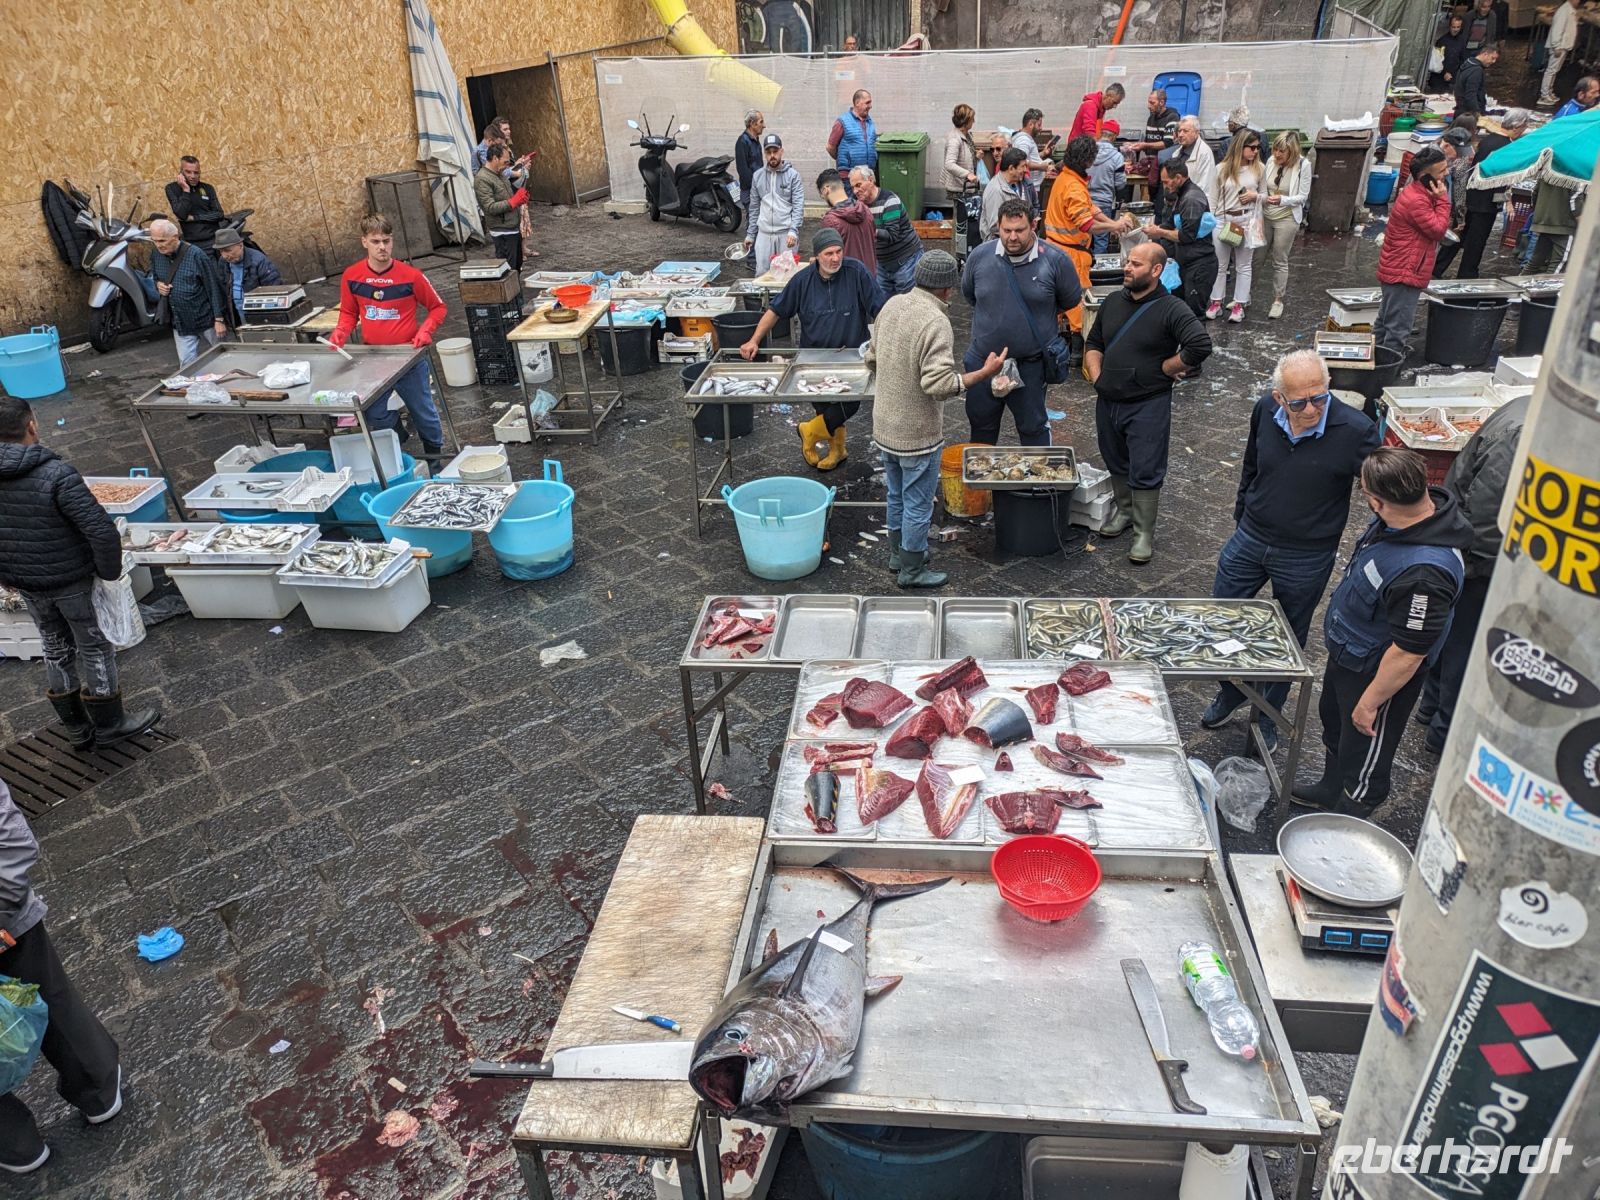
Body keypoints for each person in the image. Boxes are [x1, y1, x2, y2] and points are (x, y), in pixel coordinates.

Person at [1202, 352, 1379, 751]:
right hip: (1251, 536)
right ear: (1279, 397)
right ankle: (1230, 693)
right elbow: (1252, 462)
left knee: (1287, 638)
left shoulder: (1356, 430)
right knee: (1221, 617)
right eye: (1299, 402)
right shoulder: (1264, 411)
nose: (1312, 409)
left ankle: (1267, 715)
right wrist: (1243, 509)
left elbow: (1380, 495)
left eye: (1320, 397)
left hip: (1307, 553)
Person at [1293, 448, 1473, 817]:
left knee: (1365, 750)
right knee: (1335, 725)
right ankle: (1330, 788)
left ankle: (1349, 815)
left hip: (1379, 674)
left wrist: (1371, 701)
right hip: (1350, 655)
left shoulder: (1425, 574)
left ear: (1375, 501)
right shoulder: (1400, 521)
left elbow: (1409, 652)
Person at [0, 396, 160, 749]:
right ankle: (109, 724)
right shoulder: (56, 473)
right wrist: (109, 575)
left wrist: (8, 577)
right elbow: (101, 532)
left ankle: (75, 728)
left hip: (28, 584)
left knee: (54, 647)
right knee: (95, 646)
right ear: (32, 426)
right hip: (72, 580)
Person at [0, 778, 124, 1175]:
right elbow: (9, 841)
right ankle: (97, 1088)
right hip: (7, 922)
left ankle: (15, 1144)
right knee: (50, 997)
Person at [866, 250, 1007, 588]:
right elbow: (938, 385)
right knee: (917, 503)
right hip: (916, 433)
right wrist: (983, 373)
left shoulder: (891, 305)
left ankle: (898, 554)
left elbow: (871, 359)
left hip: (884, 425)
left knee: (896, 495)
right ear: (947, 288)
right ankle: (912, 571)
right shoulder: (935, 321)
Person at [1413, 394, 1529, 754]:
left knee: (1454, 639)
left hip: (1474, 549)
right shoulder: (1521, 434)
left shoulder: (1526, 409)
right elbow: (1488, 517)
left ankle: (1431, 709)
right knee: (1464, 644)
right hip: (1479, 557)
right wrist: (1484, 565)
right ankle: (1443, 731)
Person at [1084, 243, 1212, 565]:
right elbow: (1094, 340)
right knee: (1115, 459)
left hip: (1147, 403)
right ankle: (1124, 512)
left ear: (1156, 271)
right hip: (1108, 399)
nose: (1127, 268)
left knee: (1146, 466)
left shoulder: (1172, 308)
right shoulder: (1112, 301)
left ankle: (1143, 532)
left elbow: (1200, 344)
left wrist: (1167, 369)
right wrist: (1096, 374)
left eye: (1136, 264)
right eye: (1128, 262)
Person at [741, 228, 883, 470]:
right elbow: (776, 311)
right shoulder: (802, 280)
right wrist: (754, 339)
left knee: (848, 404)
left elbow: (880, 309)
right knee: (825, 407)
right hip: (813, 358)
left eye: (839, 251)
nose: (836, 258)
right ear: (817, 256)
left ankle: (809, 432)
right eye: (829, 253)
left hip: (851, 357)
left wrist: (887, 340)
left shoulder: (856, 272)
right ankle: (837, 449)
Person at [327, 214, 448, 465]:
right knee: (372, 411)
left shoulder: (410, 276)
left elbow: (438, 307)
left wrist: (425, 330)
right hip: (374, 356)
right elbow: (349, 312)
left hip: (408, 356)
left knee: (423, 411)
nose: (382, 247)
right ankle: (397, 437)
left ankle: (434, 455)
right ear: (364, 242)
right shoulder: (352, 276)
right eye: (375, 241)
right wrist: (341, 332)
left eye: (387, 240)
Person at [960, 197, 1081, 446]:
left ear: (1033, 226)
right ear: (998, 226)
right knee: (981, 426)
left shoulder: (1055, 261)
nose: (1012, 237)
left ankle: (1036, 486)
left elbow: (1069, 300)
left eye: (1019, 230)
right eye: (1007, 230)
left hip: (1031, 365)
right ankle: (983, 485)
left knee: (1033, 428)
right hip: (983, 363)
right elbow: (971, 295)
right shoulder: (980, 257)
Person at [1044, 135, 1135, 360]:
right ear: (1088, 160)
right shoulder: (1074, 186)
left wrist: (1112, 224)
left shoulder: (1067, 178)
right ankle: (1077, 350)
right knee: (1078, 301)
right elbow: (1086, 223)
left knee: (1057, 297)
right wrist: (1113, 225)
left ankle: (1057, 340)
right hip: (1071, 254)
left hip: (1055, 248)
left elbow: (1091, 208)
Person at [1373, 147, 1451, 357]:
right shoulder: (1416, 200)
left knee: (1385, 321)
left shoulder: (1419, 193)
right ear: (1426, 177)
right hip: (1405, 272)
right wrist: (1443, 200)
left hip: (1400, 267)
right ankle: (1387, 368)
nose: (1446, 174)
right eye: (1442, 171)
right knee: (1397, 328)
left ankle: (1375, 360)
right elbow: (1437, 230)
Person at [1451, 109, 1526, 278]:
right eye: (1524, 126)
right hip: (1486, 203)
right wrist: (1506, 200)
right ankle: (1467, 273)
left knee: (1461, 235)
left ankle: (1439, 267)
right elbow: (1501, 180)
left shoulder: (1488, 140)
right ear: (1517, 127)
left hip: (1471, 196)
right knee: (1476, 241)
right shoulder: (1506, 147)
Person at [1143, 160, 1217, 320]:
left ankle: (1198, 345)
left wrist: (1159, 232)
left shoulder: (1191, 199)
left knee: (1195, 316)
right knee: (1182, 314)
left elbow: (1186, 236)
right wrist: (1151, 231)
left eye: (1166, 182)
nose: (1164, 186)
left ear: (1178, 178)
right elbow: (1169, 225)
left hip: (1200, 266)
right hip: (1186, 263)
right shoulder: (1180, 195)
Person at [149, 218, 228, 364]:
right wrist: (158, 285)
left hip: (206, 317)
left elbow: (213, 287)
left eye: (162, 241)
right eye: (154, 241)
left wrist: (219, 319)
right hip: (180, 320)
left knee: (224, 357)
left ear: (175, 237)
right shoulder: (155, 255)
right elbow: (155, 277)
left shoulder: (197, 255)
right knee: (186, 364)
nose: (158, 245)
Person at [1206, 130, 1265, 323]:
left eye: (1257, 147)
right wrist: (1212, 220)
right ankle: (1216, 301)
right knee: (1220, 265)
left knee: (1244, 266)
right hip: (1223, 220)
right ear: (1240, 147)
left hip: (1247, 220)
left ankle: (1239, 304)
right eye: (1252, 147)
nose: (1255, 151)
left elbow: (1264, 196)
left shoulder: (1259, 169)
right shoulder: (1221, 169)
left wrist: (1254, 196)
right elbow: (1212, 197)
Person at [1259, 130, 1311, 318]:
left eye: (1282, 151)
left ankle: (1278, 300)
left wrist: (1283, 200)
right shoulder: (1270, 162)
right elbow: (1263, 187)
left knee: (1280, 259)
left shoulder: (1303, 165)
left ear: (1293, 151)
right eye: (1275, 150)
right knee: (1256, 257)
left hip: (1287, 217)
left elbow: (1303, 197)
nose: (1277, 154)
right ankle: (1244, 297)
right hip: (1266, 214)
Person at [850, 166, 923, 297]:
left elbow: (891, 235)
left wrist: (869, 230)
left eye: (858, 185)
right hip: (882, 263)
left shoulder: (890, 202)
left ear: (871, 180)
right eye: (853, 187)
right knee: (883, 305)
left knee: (907, 303)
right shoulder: (859, 205)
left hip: (906, 261)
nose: (855, 191)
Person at [744, 133, 804, 275]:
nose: (772, 155)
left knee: (787, 276)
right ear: (764, 153)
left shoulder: (793, 176)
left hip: (786, 235)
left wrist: (793, 230)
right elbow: (754, 208)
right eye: (768, 152)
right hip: (763, 234)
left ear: (781, 151)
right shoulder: (757, 176)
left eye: (775, 151)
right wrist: (750, 235)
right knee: (762, 275)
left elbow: (798, 205)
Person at [474, 142, 531, 272]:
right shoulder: (482, 179)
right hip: (502, 231)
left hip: (512, 227)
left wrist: (520, 197)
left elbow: (507, 193)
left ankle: (517, 291)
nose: (507, 166)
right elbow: (489, 206)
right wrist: (513, 202)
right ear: (495, 158)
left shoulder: (500, 173)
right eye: (505, 162)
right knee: (508, 270)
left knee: (517, 265)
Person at [212, 228, 282, 326]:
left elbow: (273, 288)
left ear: (240, 246)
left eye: (228, 250)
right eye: (221, 251)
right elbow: (223, 287)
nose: (225, 255)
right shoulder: (223, 262)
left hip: (258, 311)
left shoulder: (259, 260)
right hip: (237, 310)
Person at [1431, 127, 1476, 277]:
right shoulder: (1458, 163)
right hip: (1439, 204)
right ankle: (1431, 271)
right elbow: (1459, 193)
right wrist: (1460, 218)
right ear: (1447, 145)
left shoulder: (1431, 150)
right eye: (1458, 151)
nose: (1460, 156)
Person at [817, 171, 875, 273]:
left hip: (847, 281)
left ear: (826, 190)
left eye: (822, 195)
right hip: (870, 277)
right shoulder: (865, 209)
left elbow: (829, 260)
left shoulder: (830, 221)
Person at [164, 155, 226, 250]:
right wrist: (186, 190)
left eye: (196, 173)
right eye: (188, 172)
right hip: (193, 243)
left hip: (214, 239)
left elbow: (219, 214)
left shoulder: (208, 188)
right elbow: (181, 215)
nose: (192, 176)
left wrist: (194, 217)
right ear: (181, 172)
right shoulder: (171, 188)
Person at [1129, 88, 1183, 195]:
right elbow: (1149, 139)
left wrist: (1145, 145)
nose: (1149, 106)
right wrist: (1136, 145)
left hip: (1164, 164)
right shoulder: (1151, 118)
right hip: (1150, 162)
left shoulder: (1172, 117)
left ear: (1162, 102)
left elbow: (1167, 143)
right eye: (1148, 102)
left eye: (1152, 103)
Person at [1088, 121, 1128, 253]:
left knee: (1083, 236)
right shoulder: (1117, 157)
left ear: (1101, 134)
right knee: (1101, 239)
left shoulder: (1088, 152)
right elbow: (1120, 183)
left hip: (1084, 200)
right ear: (1114, 136)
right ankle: (1099, 271)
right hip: (1104, 202)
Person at [1166, 117, 1216, 215]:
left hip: (1194, 208)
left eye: (1185, 131)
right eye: (1179, 131)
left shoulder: (1204, 153)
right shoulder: (1176, 153)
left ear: (1197, 132)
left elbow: (1205, 186)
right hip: (1177, 206)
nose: (1180, 134)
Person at [944, 104, 981, 235]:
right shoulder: (955, 139)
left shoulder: (965, 135)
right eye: (972, 119)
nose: (974, 121)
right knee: (960, 223)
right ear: (966, 121)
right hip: (960, 188)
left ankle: (964, 249)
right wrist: (968, 174)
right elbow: (949, 163)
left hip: (965, 186)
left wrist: (975, 156)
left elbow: (964, 156)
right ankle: (957, 252)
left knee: (966, 221)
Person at [979, 147, 1027, 242]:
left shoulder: (1014, 183)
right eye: (1023, 166)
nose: (1025, 170)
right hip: (998, 245)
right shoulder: (996, 190)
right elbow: (995, 226)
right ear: (1011, 168)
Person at [1529, 178, 1578, 271]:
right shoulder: (1577, 174)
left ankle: (1514, 284)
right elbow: (1576, 201)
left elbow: (1534, 193)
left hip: (1544, 222)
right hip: (1564, 226)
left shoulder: (1549, 171)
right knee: (1558, 265)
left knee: (1535, 262)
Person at [1539, 0, 1582, 105]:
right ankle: (1544, 95)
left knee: (1554, 70)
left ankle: (1548, 91)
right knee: (1551, 70)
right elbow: (1557, 29)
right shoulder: (1564, 11)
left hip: (1563, 46)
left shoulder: (1569, 10)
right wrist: (1556, 46)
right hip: (1559, 46)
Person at [828, 90, 877, 180]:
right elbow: (830, 147)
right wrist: (843, 160)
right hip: (848, 177)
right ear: (857, 103)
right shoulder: (842, 122)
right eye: (867, 103)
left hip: (867, 176)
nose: (870, 106)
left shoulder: (870, 122)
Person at [1012, 108, 1057, 195]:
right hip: (1030, 186)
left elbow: (1027, 157)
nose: (1041, 128)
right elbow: (1021, 161)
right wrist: (1041, 167)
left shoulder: (1025, 139)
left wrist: (1043, 153)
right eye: (1039, 125)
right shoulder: (1024, 141)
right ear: (1030, 124)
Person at [735, 110, 765, 220]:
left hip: (758, 190)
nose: (764, 126)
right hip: (750, 191)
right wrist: (755, 189)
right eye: (761, 122)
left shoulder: (755, 140)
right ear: (752, 124)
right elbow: (743, 170)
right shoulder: (743, 142)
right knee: (754, 220)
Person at [1453, 42, 1496, 116]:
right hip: (1469, 114)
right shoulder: (1476, 70)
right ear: (1485, 54)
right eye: (1492, 58)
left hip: (1461, 110)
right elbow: (1471, 94)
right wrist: (1477, 112)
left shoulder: (1467, 63)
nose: (1493, 61)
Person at [1429, 14, 1469, 91]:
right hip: (1439, 80)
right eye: (1454, 27)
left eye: (1458, 27)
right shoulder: (1442, 41)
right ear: (1449, 26)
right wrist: (1444, 73)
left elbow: (1463, 59)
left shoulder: (1462, 41)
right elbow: (1436, 62)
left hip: (1453, 80)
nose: (1456, 29)